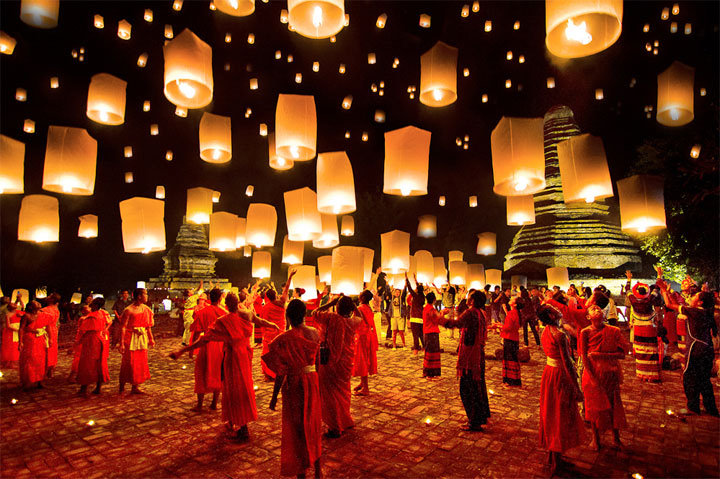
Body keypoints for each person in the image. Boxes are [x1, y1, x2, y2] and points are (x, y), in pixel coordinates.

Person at [171, 293, 279, 441]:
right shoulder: (245, 314)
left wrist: (182, 351)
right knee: (242, 387)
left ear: (226, 305)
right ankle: (235, 420)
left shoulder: (224, 321)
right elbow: (259, 320)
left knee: (234, 389)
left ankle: (242, 427)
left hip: (234, 357)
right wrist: (271, 324)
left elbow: (204, 340)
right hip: (244, 355)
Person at [262, 299, 322, 478]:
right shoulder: (315, 334)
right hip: (312, 381)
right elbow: (317, 363)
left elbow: (280, 371)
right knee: (313, 424)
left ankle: (301, 471)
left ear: (287, 316)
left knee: (297, 427)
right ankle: (318, 470)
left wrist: (274, 397)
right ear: (305, 315)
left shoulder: (283, 338)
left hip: (294, 384)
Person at [658, 274, 719, 416]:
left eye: (695, 297)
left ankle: (693, 407)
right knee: (704, 380)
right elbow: (677, 304)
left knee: (690, 378)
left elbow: (669, 305)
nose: (691, 298)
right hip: (706, 349)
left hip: (696, 350)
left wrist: (663, 290)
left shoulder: (694, 312)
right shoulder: (706, 312)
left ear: (700, 303)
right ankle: (711, 409)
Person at [537, 304, 585, 475]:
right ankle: (556, 461)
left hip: (549, 373)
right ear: (551, 316)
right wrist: (576, 387)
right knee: (559, 415)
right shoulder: (559, 335)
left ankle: (554, 456)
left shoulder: (546, 332)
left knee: (551, 413)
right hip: (559, 375)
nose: (558, 310)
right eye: (553, 309)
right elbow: (567, 363)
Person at [578, 305, 630, 450]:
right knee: (593, 407)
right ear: (588, 317)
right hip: (592, 373)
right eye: (593, 309)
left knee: (613, 404)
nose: (597, 310)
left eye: (598, 309)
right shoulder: (585, 332)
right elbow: (584, 356)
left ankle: (616, 437)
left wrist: (601, 355)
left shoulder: (614, 331)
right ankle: (595, 438)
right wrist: (591, 376)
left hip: (610, 372)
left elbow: (622, 354)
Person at [312, 295, 362, 438]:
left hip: (329, 362)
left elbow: (314, 312)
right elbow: (361, 316)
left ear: (337, 307)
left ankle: (335, 427)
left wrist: (330, 303)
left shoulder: (330, 318)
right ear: (351, 309)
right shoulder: (353, 322)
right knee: (344, 392)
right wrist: (354, 306)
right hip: (346, 362)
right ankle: (345, 420)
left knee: (330, 395)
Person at [443, 291, 491, 432]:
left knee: (467, 389)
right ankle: (482, 416)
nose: (467, 298)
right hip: (478, 355)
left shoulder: (470, 313)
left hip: (470, 356)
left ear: (473, 301)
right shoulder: (482, 313)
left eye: (469, 297)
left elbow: (455, 323)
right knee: (478, 387)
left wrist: (438, 319)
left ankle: (474, 421)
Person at [189, 288, 227, 412]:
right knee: (218, 373)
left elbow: (196, 332)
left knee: (201, 372)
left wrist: (191, 349)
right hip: (220, 345)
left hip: (206, 345)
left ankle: (200, 404)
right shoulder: (224, 313)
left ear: (209, 298)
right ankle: (214, 403)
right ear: (221, 297)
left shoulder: (202, 312)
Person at [625, 271, 661, 382]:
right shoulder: (650, 300)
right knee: (651, 352)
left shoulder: (634, 301)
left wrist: (629, 279)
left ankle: (642, 374)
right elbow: (656, 287)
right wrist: (659, 275)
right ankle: (652, 375)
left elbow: (627, 290)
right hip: (649, 329)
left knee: (641, 353)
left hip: (638, 329)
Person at [119, 288, 155, 395]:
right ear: (139, 296)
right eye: (145, 294)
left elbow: (148, 326)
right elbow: (123, 327)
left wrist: (151, 338)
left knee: (140, 362)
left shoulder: (146, 309)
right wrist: (121, 343)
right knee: (128, 362)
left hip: (141, 338)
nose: (147, 296)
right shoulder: (129, 310)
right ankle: (122, 386)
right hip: (130, 338)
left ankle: (135, 386)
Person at [261, 272, 295, 380]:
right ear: (276, 295)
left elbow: (263, 322)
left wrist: (263, 334)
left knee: (267, 354)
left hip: (270, 334)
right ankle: (279, 373)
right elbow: (286, 288)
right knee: (280, 353)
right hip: (281, 332)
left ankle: (269, 374)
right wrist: (289, 277)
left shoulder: (266, 307)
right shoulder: (282, 302)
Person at [75, 297, 112, 396]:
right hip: (100, 339)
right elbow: (108, 323)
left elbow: (84, 331)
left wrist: (77, 343)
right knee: (99, 362)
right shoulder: (102, 313)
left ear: (95, 305)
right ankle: (98, 388)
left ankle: (84, 388)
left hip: (91, 340)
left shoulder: (91, 316)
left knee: (87, 363)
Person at [18, 301, 49, 389]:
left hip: (40, 339)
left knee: (41, 360)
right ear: (31, 307)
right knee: (30, 359)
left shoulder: (41, 314)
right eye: (36, 303)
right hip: (30, 340)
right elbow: (21, 329)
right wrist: (20, 342)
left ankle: (40, 380)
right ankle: (28, 381)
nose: (39, 304)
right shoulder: (26, 316)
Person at [352, 290, 378, 396]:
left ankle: (366, 388)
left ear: (362, 297)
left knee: (362, 361)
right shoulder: (368, 308)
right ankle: (363, 383)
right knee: (365, 359)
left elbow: (356, 322)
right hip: (368, 335)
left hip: (362, 336)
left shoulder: (360, 309)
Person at [422, 291, 448, 378]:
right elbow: (437, 319)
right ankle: (431, 373)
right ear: (434, 300)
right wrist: (443, 313)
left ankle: (427, 371)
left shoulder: (426, 308)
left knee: (428, 352)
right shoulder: (431, 310)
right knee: (432, 353)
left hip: (427, 332)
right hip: (432, 333)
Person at [501, 296, 522, 387]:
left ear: (515, 304)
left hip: (509, 338)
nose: (510, 299)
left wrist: (499, 326)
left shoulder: (512, 313)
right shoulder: (517, 313)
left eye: (512, 299)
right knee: (513, 359)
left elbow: (508, 327)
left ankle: (510, 381)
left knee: (509, 360)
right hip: (514, 338)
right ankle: (515, 380)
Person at [40, 293, 61, 378]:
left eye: (49, 297)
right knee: (52, 349)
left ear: (52, 299)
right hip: (54, 330)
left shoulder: (44, 310)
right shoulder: (56, 309)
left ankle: (46, 369)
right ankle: (50, 369)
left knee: (46, 348)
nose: (47, 297)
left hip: (46, 330)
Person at [406, 275, 425, 356]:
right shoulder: (422, 297)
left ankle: (416, 350)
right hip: (421, 318)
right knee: (421, 334)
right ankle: (424, 348)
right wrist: (415, 280)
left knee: (415, 335)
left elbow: (409, 288)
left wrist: (407, 278)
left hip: (414, 318)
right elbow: (418, 288)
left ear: (417, 290)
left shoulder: (416, 296)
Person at [1, 303, 21, 368]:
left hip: (19, 330)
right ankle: (11, 363)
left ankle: (17, 361)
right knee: (12, 347)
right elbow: (8, 325)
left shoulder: (19, 312)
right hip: (11, 332)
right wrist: (16, 329)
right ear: (9, 308)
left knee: (17, 345)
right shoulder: (8, 315)